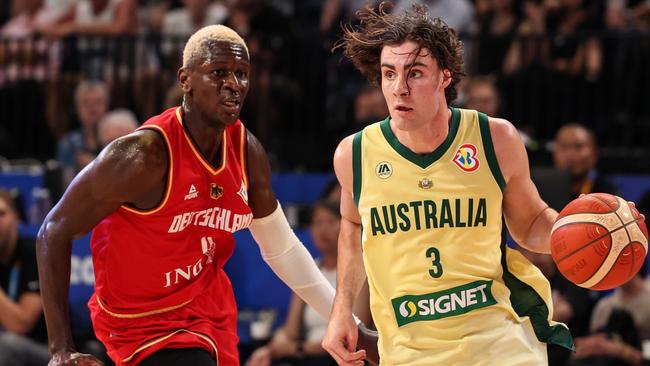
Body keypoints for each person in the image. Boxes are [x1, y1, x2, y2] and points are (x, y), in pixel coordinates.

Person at [37, 25, 373, 366]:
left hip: (207, 310)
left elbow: (282, 249)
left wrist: (349, 324)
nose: (233, 84)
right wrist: (60, 348)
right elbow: (53, 231)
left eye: (242, 74)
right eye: (218, 72)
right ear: (186, 79)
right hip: (139, 320)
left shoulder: (247, 153)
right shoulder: (143, 156)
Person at [322, 3, 574, 365]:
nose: (399, 89)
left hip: (498, 340)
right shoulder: (355, 154)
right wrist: (341, 309)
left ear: (446, 75)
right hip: (409, 349)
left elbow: (531, 223)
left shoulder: (494, 138)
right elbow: (353, 224)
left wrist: (583, 227)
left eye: (416, 73)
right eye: (389, 74)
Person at [246, 199, 365, 366]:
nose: (323, 229)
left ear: (346, 225)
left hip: (341, 357)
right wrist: (268, 350)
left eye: (331, 221)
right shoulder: (309, 269)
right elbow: (290, 331)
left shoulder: (361, 271)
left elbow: (359, 335)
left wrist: (299, 349)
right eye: (317, 223)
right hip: (309, 357)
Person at [0, 189, 50, 366]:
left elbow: (20, 325)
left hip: (45, 349)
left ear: (16, 217)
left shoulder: (33, 253)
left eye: (1, 214)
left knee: (7, 345)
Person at [57, 80, 109, 188]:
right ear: (77, 108)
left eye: (97, 102)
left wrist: (93, 166)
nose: (92, 109)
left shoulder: (116, 137)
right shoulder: (68, 143)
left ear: (107, 105)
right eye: (86, 103)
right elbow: (66, 187)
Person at [552, 123, 619, 199]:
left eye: (578, 146)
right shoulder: (542, 191)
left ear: (594, 153)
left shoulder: (608, 193)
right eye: (564, 147)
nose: (570, 154)